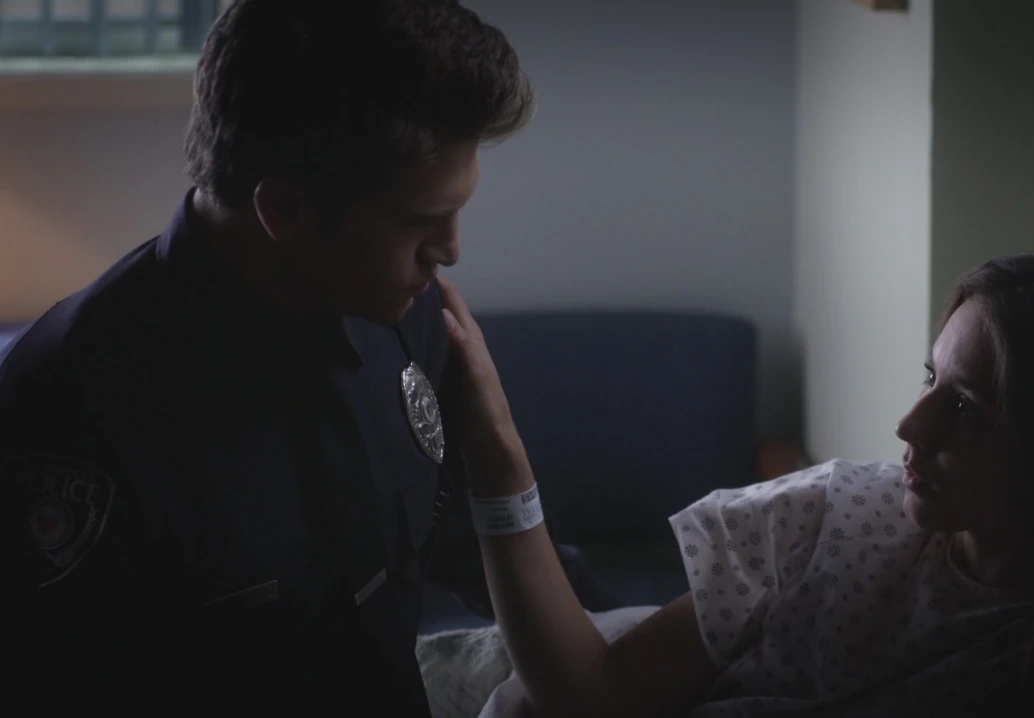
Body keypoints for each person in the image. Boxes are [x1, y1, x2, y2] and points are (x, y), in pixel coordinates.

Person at [0, 1, 610, 715]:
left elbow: (463, 539)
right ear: (285, 210)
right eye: (419, 222)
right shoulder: (69, 411)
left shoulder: (405, 309)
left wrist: (626, 645)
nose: (450, 251)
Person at [437, 254, 1034, 717]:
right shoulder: (834, 518)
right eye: (929, 378)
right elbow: (591, 694)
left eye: (965, 408)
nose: (909, 426)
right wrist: (500, 461)